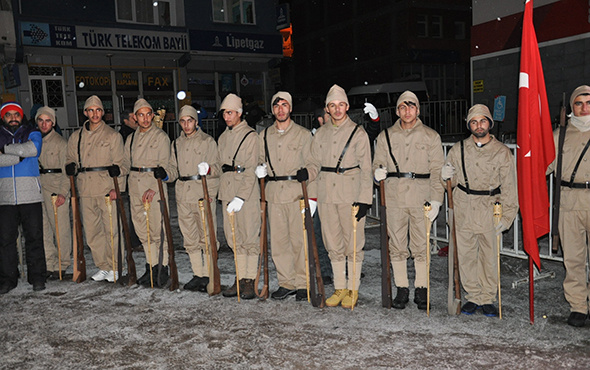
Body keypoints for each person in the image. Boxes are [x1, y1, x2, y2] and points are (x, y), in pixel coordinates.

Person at [441, 104, 517, 317]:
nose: (479, 125)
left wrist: (508, 215)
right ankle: (473, 296)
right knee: (466, 255)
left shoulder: (502, 152)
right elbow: (450, 182)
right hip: (465, 205)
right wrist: (445, 176)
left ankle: (488, 297)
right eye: (474, 122)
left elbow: (510, 186)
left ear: (489, 123)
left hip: (490, 207)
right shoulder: (459, 149)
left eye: (482, 121)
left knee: (489, 256)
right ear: (469, 125)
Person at [300, 84, 373, 308]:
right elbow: (314, 164)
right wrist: (307, 173)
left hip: (350, 194)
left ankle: (353, 289)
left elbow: (366, 169)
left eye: (341, 105)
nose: (338, 109)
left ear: (347, 107)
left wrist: (364, 200)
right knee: (332, 242)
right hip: (326, 194)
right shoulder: (320, 134)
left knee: (353, 244)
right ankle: (340, 287)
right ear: (327, 109)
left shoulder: (358, 133)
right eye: (333, 105)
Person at [373, 91, 444, 310]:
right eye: (402, 107)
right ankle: (402, 288)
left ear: (418, 110)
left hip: (421, 196)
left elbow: (437, 171)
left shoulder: (431, 136)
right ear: (397, 111)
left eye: (411, 107)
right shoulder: (385, 137)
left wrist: (437, 200)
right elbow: (378, 162)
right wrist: (376, 174)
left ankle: (421, 289)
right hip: (394, 197)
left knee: (421, 244)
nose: (407, 111)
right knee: (396, 245)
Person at [256, 91, 312, 300]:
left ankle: (303, 283)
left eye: (284, 105)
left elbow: (312, 164)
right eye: (277, 106)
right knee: (279, 243)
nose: (281, 109)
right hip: (274, 193)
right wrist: (259, 169)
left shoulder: (304, 135)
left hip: (296, 193)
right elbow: (259, 159)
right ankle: (286, 282)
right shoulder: (263, 135)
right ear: (272, 110)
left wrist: (309, 180)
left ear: (291, 108)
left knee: (299, 241)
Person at [66, 95, 129, 283]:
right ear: (85, 112)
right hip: (85, 188)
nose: (95, 114)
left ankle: (116, 266)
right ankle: (103, 266)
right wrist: (69, 166)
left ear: (103, 112)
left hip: (105, 187)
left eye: (98, 110)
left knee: (112, 230)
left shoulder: (113, 136)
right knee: (92, 232)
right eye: (91, 110)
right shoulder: (76, 137)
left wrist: (117, 188)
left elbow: (122, 164)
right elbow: (70, 159)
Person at [125, 98, 177, 288]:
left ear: (152, 116)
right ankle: (151, 266)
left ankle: (162, 268)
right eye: (141, 115)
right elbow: (125, 163)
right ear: (135, 117)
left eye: (148, 114)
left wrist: (155, 188)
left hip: (153, 188)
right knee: (142, 230)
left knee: (157, 230)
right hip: (135, 186)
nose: (145, 119)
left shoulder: (161, 137)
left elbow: (164, 166)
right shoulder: (130, 139)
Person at [549, 85, 590, 327]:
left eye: (589, 102)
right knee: (573, 258)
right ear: (571, 107)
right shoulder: (559, 135)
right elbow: (542, 167)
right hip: (569, 201)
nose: (585, 107)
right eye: (579, 103)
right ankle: (578, 305)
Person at [170, 105, 220, 292]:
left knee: (206, 235)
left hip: (201, 191)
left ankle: (209, 273)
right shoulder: (176, 143)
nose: (186, 125)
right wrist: (166, 174)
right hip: (183, 193)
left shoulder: (208, 142)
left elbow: (217, 168)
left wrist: (208, 169)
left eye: (189, 121)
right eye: (183, 121)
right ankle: (198, 274)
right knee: (189, 236)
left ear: (196, 122)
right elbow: (173, 168)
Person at [0, 101, 46, 293]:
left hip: (30, 195)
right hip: (4, 196)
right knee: (5, 240)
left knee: (34, 237)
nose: (13, 118)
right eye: (8, 115)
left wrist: (4, 150)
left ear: (22, 116)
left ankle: (37, 278)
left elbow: (33, 149)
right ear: (3, 117)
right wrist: (19, 154)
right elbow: (24, 152)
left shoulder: (33, 132)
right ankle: (8, 279)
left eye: (16, 114)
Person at [217, 93, 260, 300]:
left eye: (231, 112)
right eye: (225, 113)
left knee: (249, 237)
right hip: (227, 191)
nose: (227, 117)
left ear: (240, 114)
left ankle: (250, 280)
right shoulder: (223, 137)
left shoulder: (250, 136)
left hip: (246, 193)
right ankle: (239, 277)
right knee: (234, 238)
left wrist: (241, 197)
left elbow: (251, 169)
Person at [36, 106, 71, 280]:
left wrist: (63, 192)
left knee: (60, 229)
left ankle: (62, 263)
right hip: (39, 188)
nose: (44, 124)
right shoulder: (34, 141)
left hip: (56, 188)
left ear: (53, 122)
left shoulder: (60, 143)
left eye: (48, 120)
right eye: (41, 120)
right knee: (44, 229)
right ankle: (49, 264)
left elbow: (67, 172)